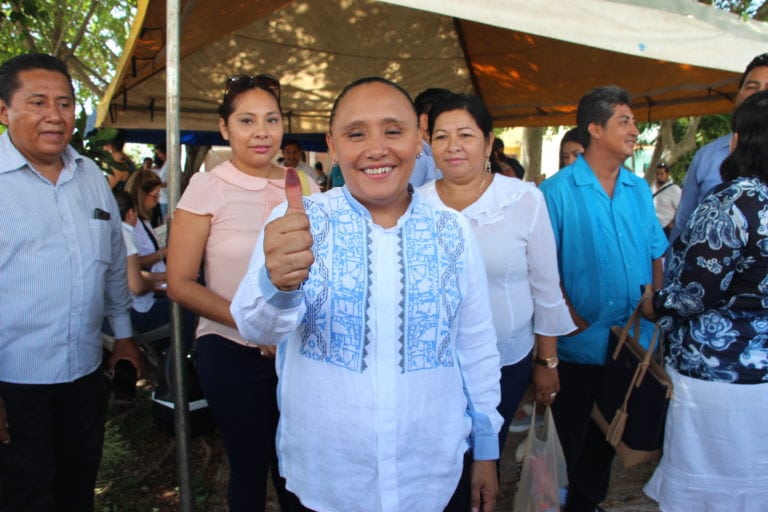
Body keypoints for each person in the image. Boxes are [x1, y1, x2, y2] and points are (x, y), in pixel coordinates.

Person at [231, 76, 502, 512]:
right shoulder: (299, 221)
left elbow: (475, 345)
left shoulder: (452, 231)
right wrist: (278, 283)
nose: (377, 148)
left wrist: (486, 448)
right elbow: (254, 326)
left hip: (431, 477)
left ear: (420, 140)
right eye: (356, 134)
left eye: (393, 131)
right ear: (332, 146)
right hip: (327, 480)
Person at [167, 73, 317, 511]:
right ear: (224, 127)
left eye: (271, 120)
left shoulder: (302, 184)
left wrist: (283, 332)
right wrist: (259, 326)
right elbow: (179, 283)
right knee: (250, 469)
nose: (262, 132)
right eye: (247, 121)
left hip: (296, 352)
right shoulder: (207, 186)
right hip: (231, 349)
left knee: (298, 471)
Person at [0, 52, 142, 511]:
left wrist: (123, 338)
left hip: (83, 375)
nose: (54, 116)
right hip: (13, 384)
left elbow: (113, 261)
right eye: (37, 102)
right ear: (3, 111)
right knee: (23, 495)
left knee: (76, 489)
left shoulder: (91, 177)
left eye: (64, 103)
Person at [418, 92, 575, 456]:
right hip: (436, 362)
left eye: (466, 135)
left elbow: (545, 287)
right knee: (442, 453)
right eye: (441, 136)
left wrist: (546, 361)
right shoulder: (416, 204)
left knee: (486, 452)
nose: (453, 146)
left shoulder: (523, 199)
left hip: (507, 359)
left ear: (489, 142)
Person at [539, 85, 668, 512]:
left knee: (610, 434)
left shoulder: (636, 189)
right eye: (624, 121)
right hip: (580, 343)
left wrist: (654, 300)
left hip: (630, 342)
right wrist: (568, 319)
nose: (634, 130)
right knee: (572, 435)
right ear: (595, 128)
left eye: (633, 121)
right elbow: (542, 268)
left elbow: (655, 251)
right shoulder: (557, 191)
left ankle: (586, 504)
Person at [641, 90, 768, 512]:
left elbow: (695, 294)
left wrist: (654, 303)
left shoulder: (733, 202)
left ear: (737, 142)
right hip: (761, 377)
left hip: (715, 376)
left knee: (708, 489)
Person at [672, 53, 768, 240]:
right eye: (752, 87)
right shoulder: (706, 156)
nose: (760, 94)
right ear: (738, 95)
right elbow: (683, 225)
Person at [113, 190, 169, 334]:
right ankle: (177, 355)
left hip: (115, 314)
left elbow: (132, 273)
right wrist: (159, 285)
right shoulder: (125, 235)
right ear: (131, 213)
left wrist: (164, 276)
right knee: (187, 305)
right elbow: (136, 286)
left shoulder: (110, 232)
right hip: (135, 313)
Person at [125, 169, 166, 274]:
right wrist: (164, 253)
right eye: (155, 195)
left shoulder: (143, 219)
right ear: (142, 195)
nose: (157, 200)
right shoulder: (131, 223)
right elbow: (133, 262)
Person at [409, 87, 449, 187]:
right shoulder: (417, 157)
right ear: (424, 120)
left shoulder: (434, 152)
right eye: (448, 116)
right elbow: (402, 201)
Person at [651, 162, 681, 239]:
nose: (658, 176)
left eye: (661, 174)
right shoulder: (652, 187)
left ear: (667, 174)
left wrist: (673, 223)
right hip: (652, 226)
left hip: (666, 228)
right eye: (657, 174)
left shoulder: (675, 190)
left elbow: (680, 208)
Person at [153, 143, 169, 220]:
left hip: (167, 199)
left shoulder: (170, 163)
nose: (159, 156)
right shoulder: (165, 164)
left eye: (159, 153)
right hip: (163, 198)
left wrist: (158, 184)